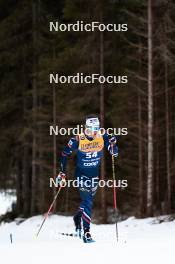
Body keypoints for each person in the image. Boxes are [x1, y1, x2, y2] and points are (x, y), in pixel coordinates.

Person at [57, 115, 118, 243]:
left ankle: (77, 218)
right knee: (89, 202)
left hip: (94, 176)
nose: (95, 131)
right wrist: (62, 173)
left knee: (86, 203)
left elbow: (114, 152)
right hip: (81, 175)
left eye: (97, 128)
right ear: (86, 128)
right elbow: (64, 154)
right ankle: (86, 233)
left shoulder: (102, 135)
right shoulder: (78, 139)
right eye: (92, 128)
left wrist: (113, 143)